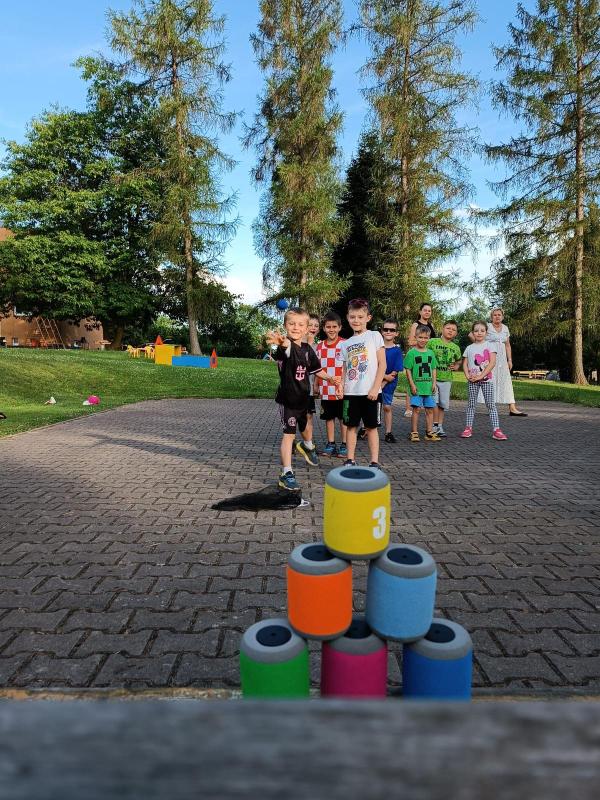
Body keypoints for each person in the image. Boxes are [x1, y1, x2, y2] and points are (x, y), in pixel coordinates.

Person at [266, 308, 341, 491]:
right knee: (289, 435)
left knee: (307, 427)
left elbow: (317, 370)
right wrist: (282, 342)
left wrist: (331, 379)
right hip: (288, 401)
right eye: (291, 324)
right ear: (285, 325)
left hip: (304, 398)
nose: (296, 327)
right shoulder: (285, 348)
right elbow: (286, 347)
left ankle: (307, 445)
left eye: (300, 324)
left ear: (307, 328)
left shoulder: (308, 350)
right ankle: (287, 473)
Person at [338, 298, 387, 468]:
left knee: (371, 427)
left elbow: (382, 364)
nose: (356, 320)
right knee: (351, 427)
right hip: (351, 393)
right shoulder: (345, 344)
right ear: (347, 317)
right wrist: (341, 386)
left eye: (360, 317)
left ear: (368, 318)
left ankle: (374, 462)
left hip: (371, 393)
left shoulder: (374, 336)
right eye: (352, 317)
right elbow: (345, 369)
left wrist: (375, 387)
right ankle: (350, 459)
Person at [470, 308, 527, 416]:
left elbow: (508, 345)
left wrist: (510, 360)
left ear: (502, 316)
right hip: (490, 359)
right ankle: (491, 408)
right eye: (495, 315)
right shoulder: (487, 326)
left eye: (499, 315)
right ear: (491, 317)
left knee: (506, 382)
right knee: (490, 381)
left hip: (502, 360)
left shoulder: (505, 328)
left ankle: (512, 408)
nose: (497, 316)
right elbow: (471, 334)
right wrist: (480, 344)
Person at [461, 321, 508, 440]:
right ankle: (468, 428)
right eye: (476, 331)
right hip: (472, 381)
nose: (479, 333)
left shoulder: (490, 346)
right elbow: (465, 364)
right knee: (471, 405)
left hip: (486, 380)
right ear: (473, 333)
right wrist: (467, 376)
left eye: (482, 330)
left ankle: (496, 430)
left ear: (486, 332)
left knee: (491, 405)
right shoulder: (469, 348)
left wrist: (481, 376)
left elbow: (492, 363)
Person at [315, 311, 347, 457]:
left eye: (334, 326)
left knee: (343, 418)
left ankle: (344, 444)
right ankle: (331, 444)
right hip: (326, 389)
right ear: (323, 328)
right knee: (328, 418)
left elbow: (349, 367)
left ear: (340, 327)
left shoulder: (345, 344)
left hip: (342, 390)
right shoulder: (319, 347)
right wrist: (316, 384)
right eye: (328, 327)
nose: (331, 329)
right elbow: (317, 368)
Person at [403, 325, 440, 442]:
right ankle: (414, 432)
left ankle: (429, 432)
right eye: (420, 337)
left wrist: (434, 383)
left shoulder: (431, 353)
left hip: (428, 387)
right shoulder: (411, 353)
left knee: (429, 409)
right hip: (417, 388)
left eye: (426, 338)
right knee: (416, 409)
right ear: (415, 337)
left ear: (429, 338)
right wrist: (412, 385)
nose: (423, 340)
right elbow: (408, 369)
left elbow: (433, 368)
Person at [428, 320, 462, 438]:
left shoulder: (455, 348)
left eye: (453, 330)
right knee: (434, 402)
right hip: (433, 378)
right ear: (442, 329)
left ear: (456, 333)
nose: (450, 331)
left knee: (442, 404)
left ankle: (439, 426)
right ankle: (433, 425)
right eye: (448, 328)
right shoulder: (432, 342)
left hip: (447, 379)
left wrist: (457, 366)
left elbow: (459, 360)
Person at [404, 303, 437, 418]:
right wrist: (422, 343)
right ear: (420, 312)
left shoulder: (431, 325)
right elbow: (410, 341)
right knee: (413, 382)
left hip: (428, 356)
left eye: (429, 310)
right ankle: (409, 409)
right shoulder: (415, 324)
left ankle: (424, 405)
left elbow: (433, 342)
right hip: (416, 356)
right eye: (425, 310)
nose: (427, 312)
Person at [380, 319, 404, 443]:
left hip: (389, 384)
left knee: (387, 407)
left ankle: (388, 432)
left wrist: (384, 382)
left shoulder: (397, 351)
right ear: (382, 331)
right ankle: (365, 428)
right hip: (376, 382)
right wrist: (383, 377)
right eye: (386, 329)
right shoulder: (377, 348)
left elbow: (395, 371)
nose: (388, 332)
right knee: (371, 406)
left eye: (392, 330)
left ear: (396, 333)